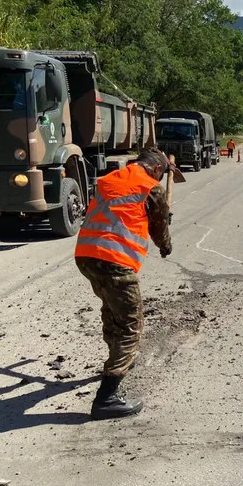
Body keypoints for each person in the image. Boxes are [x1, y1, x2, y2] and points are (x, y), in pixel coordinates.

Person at [74, 148, 172, 420]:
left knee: (112, 311)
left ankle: (115, 359)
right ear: (156, 169)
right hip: (114, 261)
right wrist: (166, 245)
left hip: (86, 256)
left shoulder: (110, 179)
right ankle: (106, 399)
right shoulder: (151, 187)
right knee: (131, 325)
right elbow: (159, 229)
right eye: (161, 174)